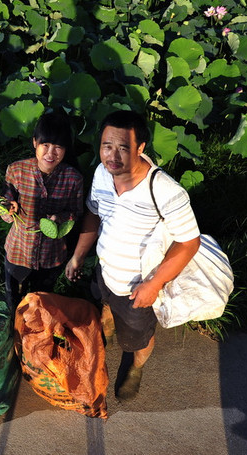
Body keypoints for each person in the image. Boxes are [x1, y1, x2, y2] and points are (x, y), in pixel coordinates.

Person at [65, 110, 201, 400]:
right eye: (106, 146)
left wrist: (153, 285)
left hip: (137, 287)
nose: (112, 156)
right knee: (102, 301)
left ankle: (136, 367)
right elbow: (93, 213)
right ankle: (109, 324)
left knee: (138, 338)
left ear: (140, 148)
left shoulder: (164, 190)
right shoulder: (103, 173)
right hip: (105, 270)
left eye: (123, 148)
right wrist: (78, 256)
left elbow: (189, 242)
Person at [0, 111, 84, 310]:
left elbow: (76, 212)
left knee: (42, 301)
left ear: (65, 150)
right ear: (35, 143)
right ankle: (15, 328)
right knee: (13, 297)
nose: (50, 153)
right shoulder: (16, 170)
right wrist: (8, 209)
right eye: (45, 145)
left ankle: (36, 334)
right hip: (18, 250)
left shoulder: (73, 178)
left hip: (52, 255)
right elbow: (5, 206)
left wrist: (61, 218)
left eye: (58, 147)